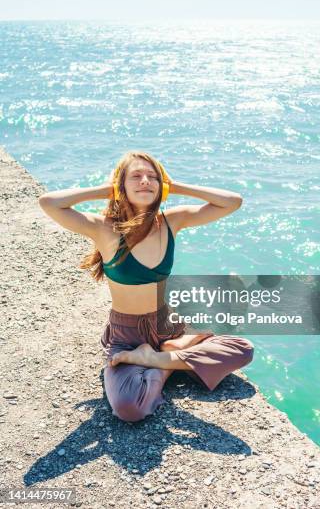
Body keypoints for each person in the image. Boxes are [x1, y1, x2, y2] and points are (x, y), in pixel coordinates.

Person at [38, 150, 254, 422]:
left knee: (242, 349)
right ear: (121, 185)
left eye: (152, 177)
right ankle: (173, 358)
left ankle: (154, 361)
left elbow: (232, 202)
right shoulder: (105, 229)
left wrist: (175, 187)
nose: (145, 181)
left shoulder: (171, 221)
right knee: (130, 409)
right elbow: (48, 203)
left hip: (167, 325)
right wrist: (108, 190)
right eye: (136, 176)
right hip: (127, 334)